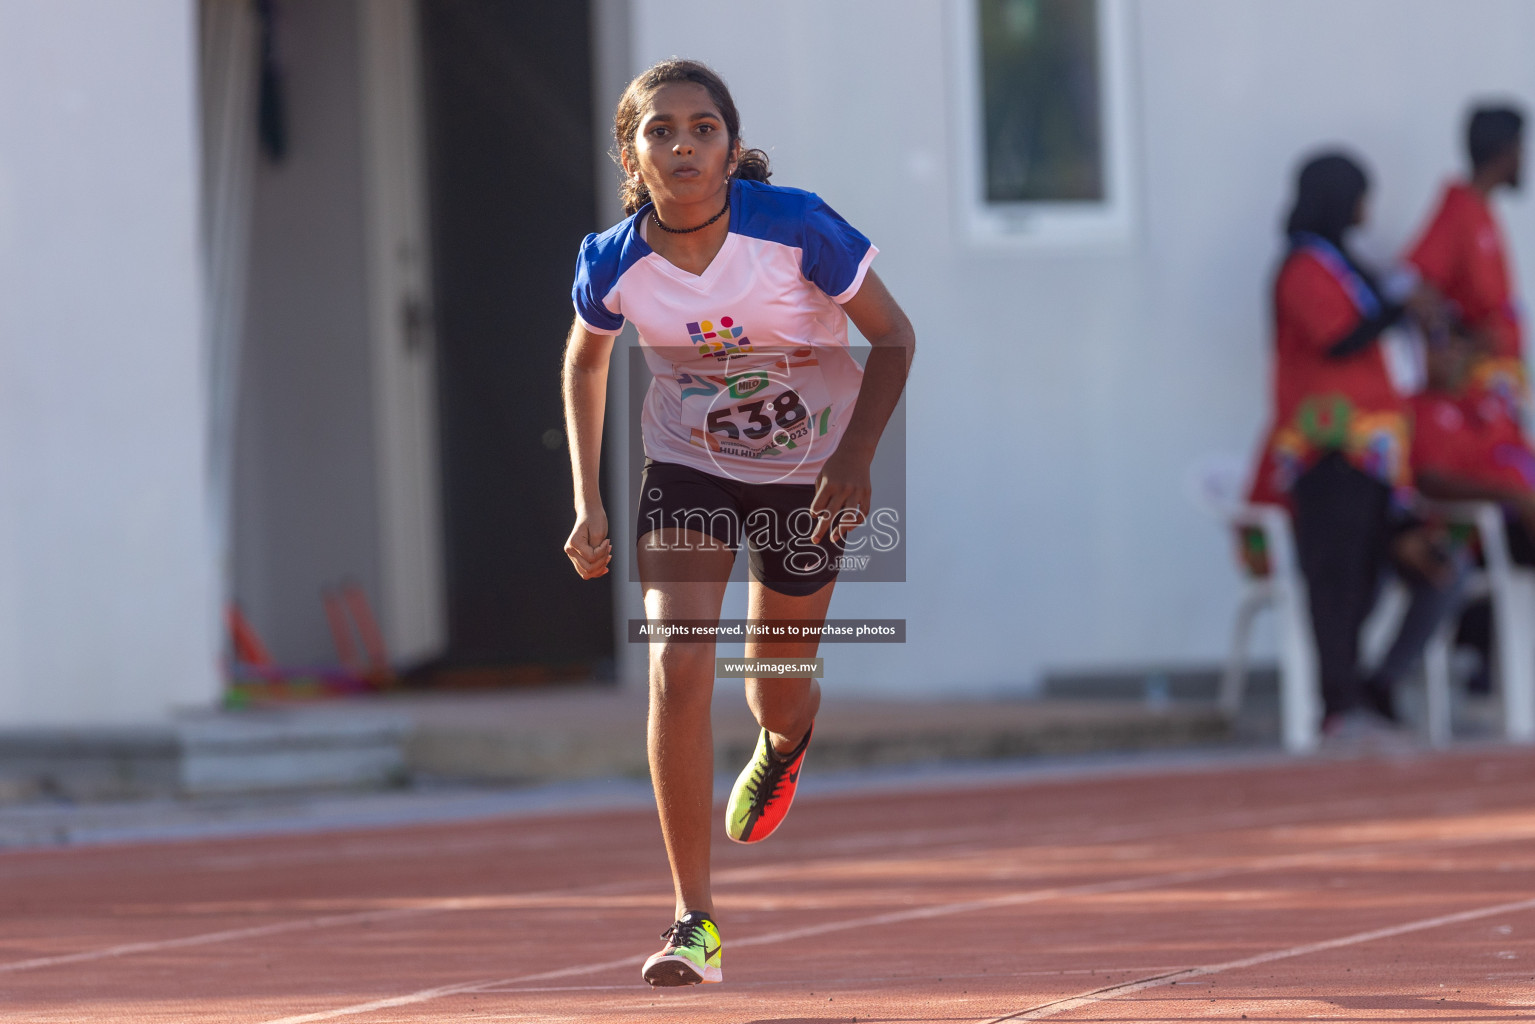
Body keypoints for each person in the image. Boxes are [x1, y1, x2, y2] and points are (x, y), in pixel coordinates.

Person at [561, 59, 914, 987]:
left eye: (702, 128)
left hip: (810, 471)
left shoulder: (794, 226)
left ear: (729, 144)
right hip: (687, 464)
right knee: (679, 658)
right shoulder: (612, 259)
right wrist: (587, 497)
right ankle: (692, 920)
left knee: (773, 683)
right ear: (631, 153)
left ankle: (788, 741)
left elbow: (895, 335)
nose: (682, 145)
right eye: (661, 131)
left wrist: (853, 457)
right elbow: (586, 365)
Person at [1250, 151, 1451, 738]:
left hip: (1374, 454)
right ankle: (1335, 702)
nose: (1368, 208)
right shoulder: (1304, 267)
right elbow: (1337, 339)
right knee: (1335, 576)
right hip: (1327, 450)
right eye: (1361, 195)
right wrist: (1396, 310)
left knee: (1377, 571)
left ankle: (1367, 686)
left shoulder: (1345, 264)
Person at [1407, 104, 1526, 422]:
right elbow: (1415, 290)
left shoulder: (1481, 210)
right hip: (1472, 403)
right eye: (1521, 148)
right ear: (1505, 151)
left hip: (1500, 390)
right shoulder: (1459, 210)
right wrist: (1456, 348)